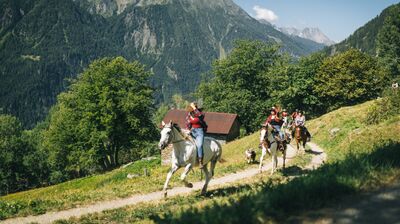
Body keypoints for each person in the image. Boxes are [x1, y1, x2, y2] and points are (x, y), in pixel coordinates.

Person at [185, 102, 207, 169]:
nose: (191, 112)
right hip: (192, 132)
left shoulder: (200, 114)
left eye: (192, 110)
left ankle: (200, 162)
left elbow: (200, 116)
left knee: (199, 145)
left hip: (200, 132)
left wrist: (194, 108)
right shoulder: (189, 116)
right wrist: (188, 129)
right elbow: (188, 124)